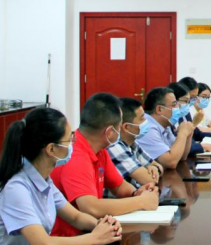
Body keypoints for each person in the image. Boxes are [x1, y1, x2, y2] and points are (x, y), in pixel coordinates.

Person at [0, 108, 122, 245]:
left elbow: (76, 217)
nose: (73, 144)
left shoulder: (43, 179)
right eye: (69, 139)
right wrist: (96, 238)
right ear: (51, 149)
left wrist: (104, 226)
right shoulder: (16, 188)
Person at [51, 93, 159, 237]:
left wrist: (137, 192)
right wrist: (141, 202)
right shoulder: (76, 156)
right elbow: (91, 207)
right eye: (119, 127)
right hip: (70, 238)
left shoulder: (99, 150)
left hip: (92, 232)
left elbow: (118, 186)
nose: (120, 131)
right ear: (109, 132)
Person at [108, 98, 164, 187]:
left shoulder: (133, 143)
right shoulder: (115, 147)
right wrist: (152, 171)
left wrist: (154, 167)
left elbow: (158, 166)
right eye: (142, 118)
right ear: (127, 127)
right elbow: (149, 180)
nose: (146, 121)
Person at [137, 87, 195, 168]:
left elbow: (181, 157)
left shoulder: (165, 124)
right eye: (174, 105)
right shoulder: (148, 128)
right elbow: (170, 162)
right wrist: (182, 134)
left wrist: (188, 135)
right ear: (159, 109)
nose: (178, 107)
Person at [169, 81, 211, 155]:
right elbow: (176, 147)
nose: (194, 101)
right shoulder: (171, 119)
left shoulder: (185, 112)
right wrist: (200, 147)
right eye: (186, 100)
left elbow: (196, 133)